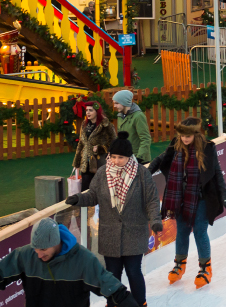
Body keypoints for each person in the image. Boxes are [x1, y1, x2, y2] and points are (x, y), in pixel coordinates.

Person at [66, 131, 161, 307]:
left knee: (133, 271)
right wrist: (79, 199)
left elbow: (152, 200)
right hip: (110, 234)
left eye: (121, 158)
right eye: (114, 156)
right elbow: (93, 195)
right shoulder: (103, 173)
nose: (116, 161)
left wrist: (155, 220)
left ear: (129, 157)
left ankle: (140, 303)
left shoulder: (141, 174)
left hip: (134, 231)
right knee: (112, 274)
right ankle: (113, 304)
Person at [149, 118, 226, 289]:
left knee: (199, 231)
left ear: (195, 133)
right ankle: (180, 264)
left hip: (201, 198)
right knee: (182, 231)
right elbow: (160, 159)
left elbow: (217, 174)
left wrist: (225, 198)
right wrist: (145, 172)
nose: (184, 139)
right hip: (181, 197)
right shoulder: (176, 146)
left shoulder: (207, 148)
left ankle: (205, 268)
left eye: (187, 136)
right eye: (181, 135)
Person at [0, 218, 141, 307]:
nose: (39, 255)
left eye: (43, 249)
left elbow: (114, 291)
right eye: (35, 249)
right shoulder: (25, 256)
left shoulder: (83, 260)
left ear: (56, 242)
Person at [72, 100, 116, 191]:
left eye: (91, 110)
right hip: (86, 162)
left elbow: (114, 143)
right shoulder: (84, 124)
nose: (88, 112)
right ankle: (85, 205)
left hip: (100, 162)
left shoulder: (105, 125)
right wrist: (76, 162)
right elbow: (81, 143)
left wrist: (101, 148)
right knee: (85, 189)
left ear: (97, 111)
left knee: (100, 188)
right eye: (87, 110)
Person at [112, 90, 151, 164]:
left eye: (117, 103)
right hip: (126, 158)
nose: (114, 106)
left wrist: (139, 158)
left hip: (139, 160)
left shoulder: (138, 116)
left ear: (124, 102)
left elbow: (146, 139)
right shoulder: (120, 116)